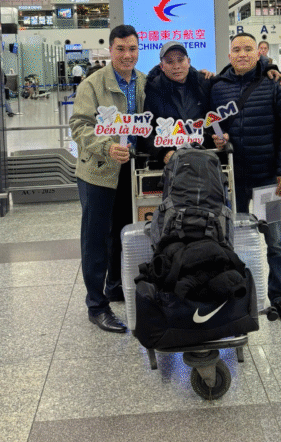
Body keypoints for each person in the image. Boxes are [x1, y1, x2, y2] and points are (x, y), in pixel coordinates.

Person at [210, 33, 281, 324]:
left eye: (248, 49)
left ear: (258, 53)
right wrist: (216, 140)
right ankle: (238, 293)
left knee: (276, 241)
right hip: (232, 180)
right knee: (232, 239)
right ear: (229, 55)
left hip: (268, 179)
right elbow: (209, 125)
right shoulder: (217, 87)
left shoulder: (273, 84)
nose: (242, 54)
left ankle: (278, 294)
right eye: (236, 49)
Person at [69, 25, 146, 333]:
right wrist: (107, 146)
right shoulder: (93, 84)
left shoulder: (143, 82)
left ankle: (115, 287)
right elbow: (79, 126)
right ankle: (96, 305)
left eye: (132, 49)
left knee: (124, 233)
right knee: (96, 238)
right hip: (98, 172)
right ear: (111, 50)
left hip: (130, 170)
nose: (127, 55)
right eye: (121, 49)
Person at [143, 41, 214, 164]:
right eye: (170, 62)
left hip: (204, 158)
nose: (176, 66)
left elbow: (214, 120)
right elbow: (146, 131)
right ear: (162, 66)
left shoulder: (203, 83)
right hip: (170, 164)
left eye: (180, 60)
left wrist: (217, 137)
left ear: (188, 61)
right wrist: (163, 153)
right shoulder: (153, 90)